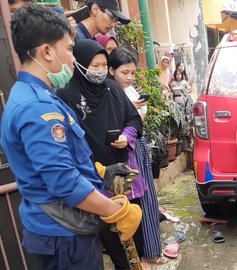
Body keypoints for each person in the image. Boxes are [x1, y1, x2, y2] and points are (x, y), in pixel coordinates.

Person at [1, 5, 141, 269]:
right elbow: (63, 181)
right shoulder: (37, 108)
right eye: (68, 49)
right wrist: (117, 211)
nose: (71, 59)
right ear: (46, 51)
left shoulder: (35, 96)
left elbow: (61, 163)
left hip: (61, 229)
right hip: (64, 236)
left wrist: (100, 172)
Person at [57, 39, 145, 270]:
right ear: (81, 64)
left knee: (132, 225)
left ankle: (136, 264)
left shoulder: (113, 89)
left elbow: (133, 118)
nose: (100, 71)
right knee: (109, 233)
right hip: (94, 177)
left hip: (122, 172)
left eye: (103, 65)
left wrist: (126, 136)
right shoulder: (66, 97)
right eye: (94, 65)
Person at [109, 47, 169, 265]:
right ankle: (140, 256)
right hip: (123, 154)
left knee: (147, 200)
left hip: (137, 147)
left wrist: (134, 112)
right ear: (111, 70)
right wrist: (129, 111)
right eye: (125, 72)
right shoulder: (110, 95)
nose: (129, 77)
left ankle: (150, 252)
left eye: (133, 73)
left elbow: (137, 122)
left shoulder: (131, 91)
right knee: (129, 206)